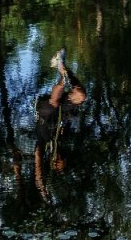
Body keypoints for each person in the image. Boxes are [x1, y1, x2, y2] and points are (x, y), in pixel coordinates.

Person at [33, 48, 87, 202]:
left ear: (51, 162)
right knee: (81, 95)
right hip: (61, 112)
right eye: (61, 163)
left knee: (53, 104)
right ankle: (62, 67)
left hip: (45, 111)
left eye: (55, 164)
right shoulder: (65, 143)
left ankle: (63, 77)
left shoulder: (42, 145)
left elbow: (37, 169)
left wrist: (42, 188)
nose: (58, 162)